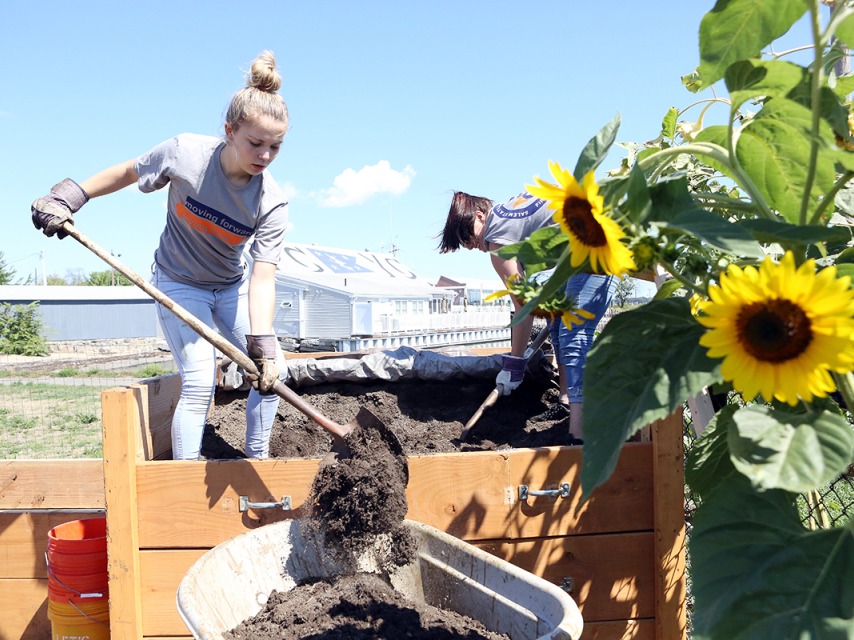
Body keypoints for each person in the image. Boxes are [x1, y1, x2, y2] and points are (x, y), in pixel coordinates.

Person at [31, 51, 290, 460]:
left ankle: (257, 459)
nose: (265, 155)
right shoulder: (185, 153)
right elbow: (129, 172)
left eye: (275, 146)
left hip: (230, 288)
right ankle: (183, 476)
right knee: (201, 378)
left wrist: (262, 342)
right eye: (255, 143)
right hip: (179, 283)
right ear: (229, 131)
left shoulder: (270, 201)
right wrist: (71, 195)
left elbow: (263, 276)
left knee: (275, 375)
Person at [437, 190, 617, 444]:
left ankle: (579, 434)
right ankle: (566, 402)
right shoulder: (506, 215)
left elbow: (523, 307)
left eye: (466, 236)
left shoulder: (497, 238)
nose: (469, 245)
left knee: (573, 334)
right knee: (557, 322)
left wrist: (514, 364)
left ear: (479, 216)